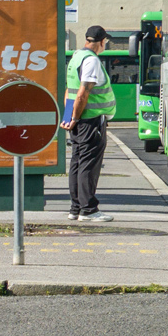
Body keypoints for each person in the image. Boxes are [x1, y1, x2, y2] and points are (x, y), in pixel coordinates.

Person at [61, 25, 117, 222]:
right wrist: (75, 118)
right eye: (105, 42)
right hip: (90, 121)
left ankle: (76, 208)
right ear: (101, 42)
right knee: (88, 165)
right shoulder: (92, 60)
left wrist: (68, 117)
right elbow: (83, 92)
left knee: (77, 163)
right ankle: (88, 210)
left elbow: (69, 89)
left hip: (78, 120)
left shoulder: (76, 56)